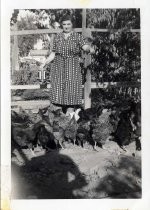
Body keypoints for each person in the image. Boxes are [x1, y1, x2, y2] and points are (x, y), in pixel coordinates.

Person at [42, 14, 95, 117]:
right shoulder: (57, 37)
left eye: (68, 24)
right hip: (59, 66)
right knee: (58, 89)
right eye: (64, 24)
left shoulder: (77, 37)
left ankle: (70, 114)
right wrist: (46, 62)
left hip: (72, 66)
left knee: (71, 88)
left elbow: (85, 47)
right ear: (61, 25)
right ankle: (59, 115)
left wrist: (89, 49)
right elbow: (53, 53)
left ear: (72, 25)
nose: (66, 26)